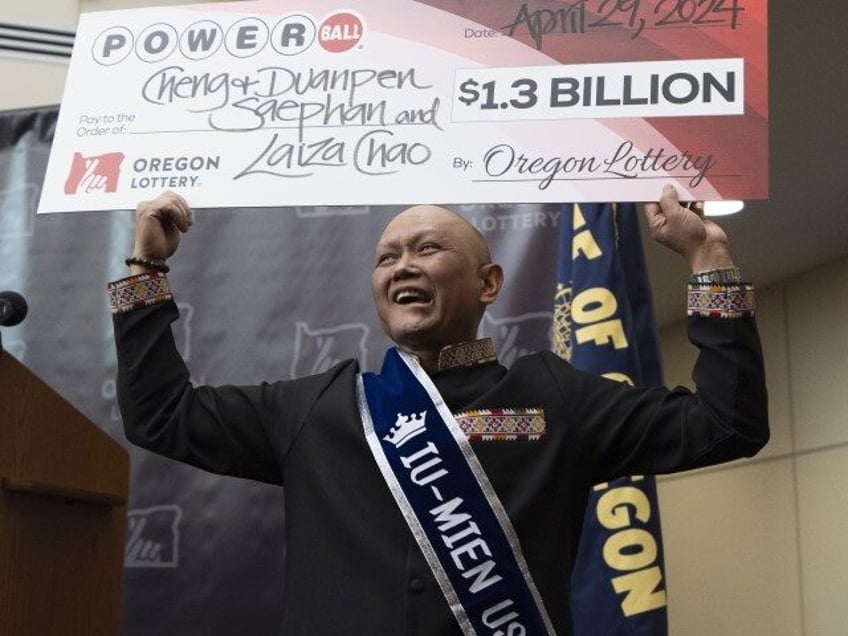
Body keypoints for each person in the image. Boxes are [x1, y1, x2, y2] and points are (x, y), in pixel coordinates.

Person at [108, 186, 768, 635]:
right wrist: (145, 267)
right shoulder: (317, 408)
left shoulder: (556, 400)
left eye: (427, 249)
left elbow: (728, 424)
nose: (403, 265)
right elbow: (161, 414)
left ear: (489, 283)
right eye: (387, 257)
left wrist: (708, 256)